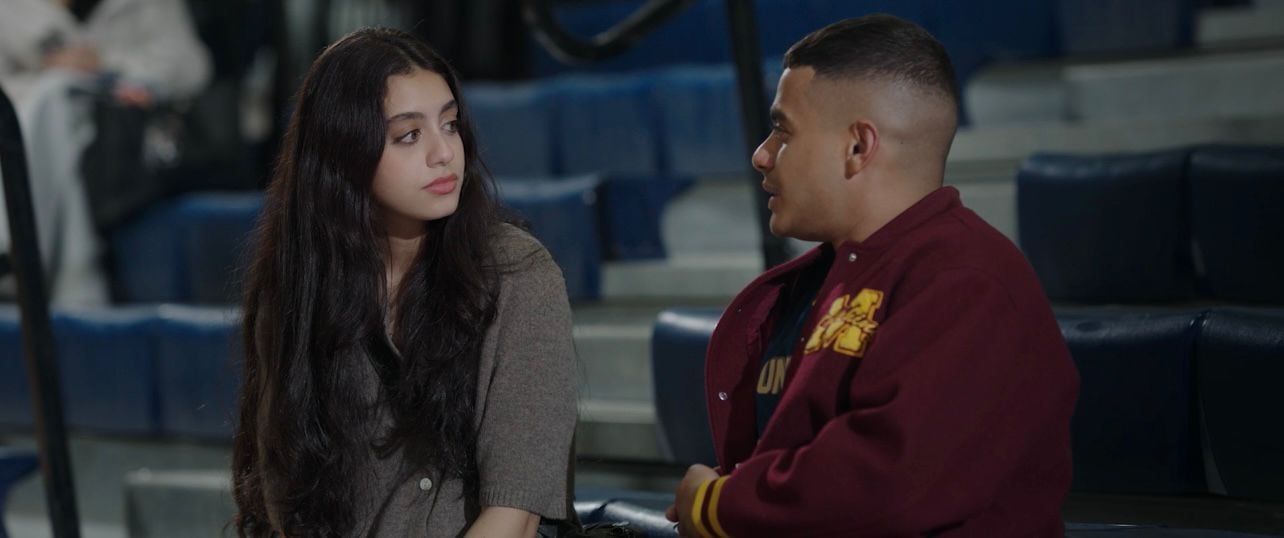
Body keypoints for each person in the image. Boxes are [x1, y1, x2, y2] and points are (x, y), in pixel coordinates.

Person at [665, 15, 1080, 537]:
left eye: (783, 130)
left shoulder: (967, 279)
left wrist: (720, 505)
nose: (762, 154)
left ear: (858, 147)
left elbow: (890, 480)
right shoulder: (821, 280)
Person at [230, 28, 577, 537]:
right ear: (345, 154)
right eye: (409, 135)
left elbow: (515, 518)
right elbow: (286, 499)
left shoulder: (517, 274)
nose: (444, 153)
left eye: (450, 125)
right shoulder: (297, 290)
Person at [0, 0, 212, 305]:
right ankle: (73, 285)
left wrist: (105, 64)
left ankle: (16, 251)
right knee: (51, 102)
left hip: (125, 142)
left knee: (55, 105)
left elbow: (191, 68)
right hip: (42, 135)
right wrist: (52, 73)